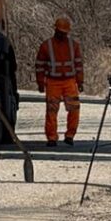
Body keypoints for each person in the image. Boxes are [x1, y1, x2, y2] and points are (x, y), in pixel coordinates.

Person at [35, 17, 84, 146]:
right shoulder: (46, 46)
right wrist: (40, 82)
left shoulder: (74, 46)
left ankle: (70, 135)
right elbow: (39, 65)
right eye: (61, 32)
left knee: (74, 109)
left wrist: (80, 82)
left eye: (64, 32)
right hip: (52, 82)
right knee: (51, 111)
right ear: (55, 30)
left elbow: (78, 65)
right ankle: (52, 137)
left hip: (70, 81)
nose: (62, 34)